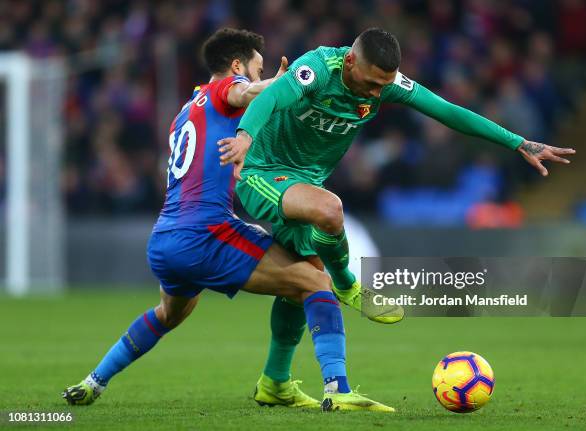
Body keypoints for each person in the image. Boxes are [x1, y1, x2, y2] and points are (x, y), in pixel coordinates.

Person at [218, 27, 575, 409]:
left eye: (383, 86)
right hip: (260, 169)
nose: (376, 94)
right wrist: (244, 136)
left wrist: (518, 142)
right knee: (329, 211)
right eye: (372, 83)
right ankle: (347, 283)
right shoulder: (319, 68)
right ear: (352, 62)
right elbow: (272, 96)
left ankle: (276, 382)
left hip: (304, 180)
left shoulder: (387, 84)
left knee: (304, 278)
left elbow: (448, 112)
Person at [62, 28, 394, 413]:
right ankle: (337, 387)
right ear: (237, 65)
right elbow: (247, 93)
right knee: (315, 279)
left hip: (166, 238)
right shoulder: (225, 89)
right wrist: (281, 83)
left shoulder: (185, 111)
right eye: (257, 66)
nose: (257, 74)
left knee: (168, 314)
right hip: (207, 234)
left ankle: (93, 382)